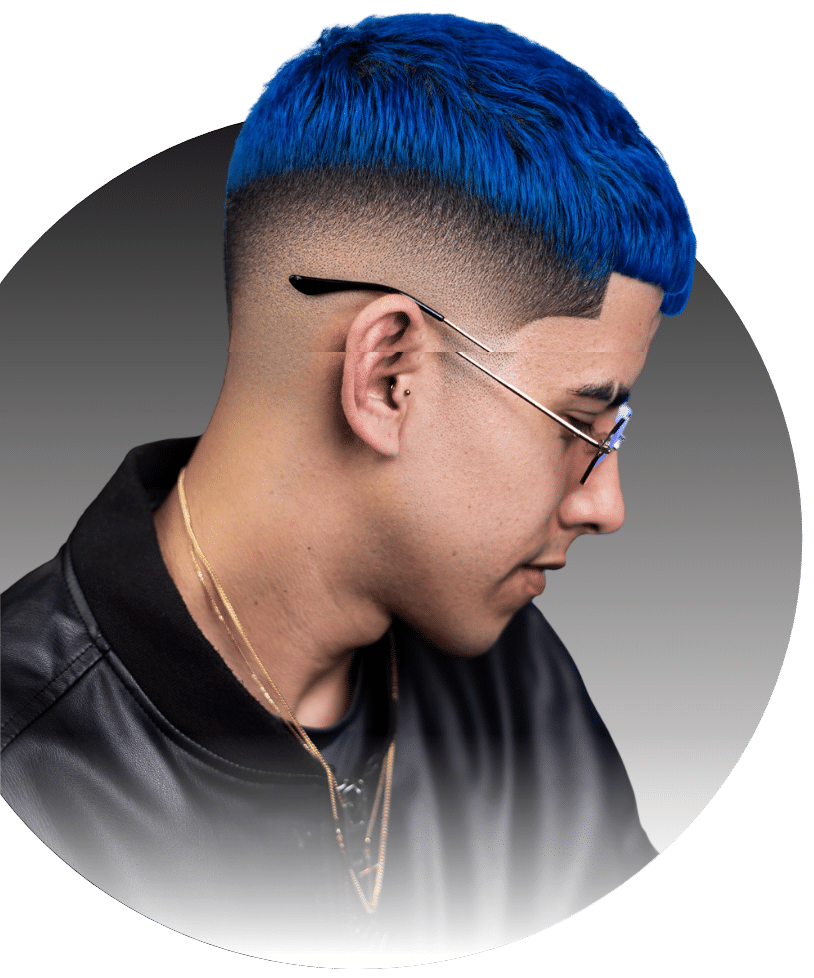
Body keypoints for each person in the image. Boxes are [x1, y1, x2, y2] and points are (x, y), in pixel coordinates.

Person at [1, 12, 695, 967]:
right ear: (389, 377)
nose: (604, 506)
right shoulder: (27, 766)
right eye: (582, 426)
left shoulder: (519, 680)